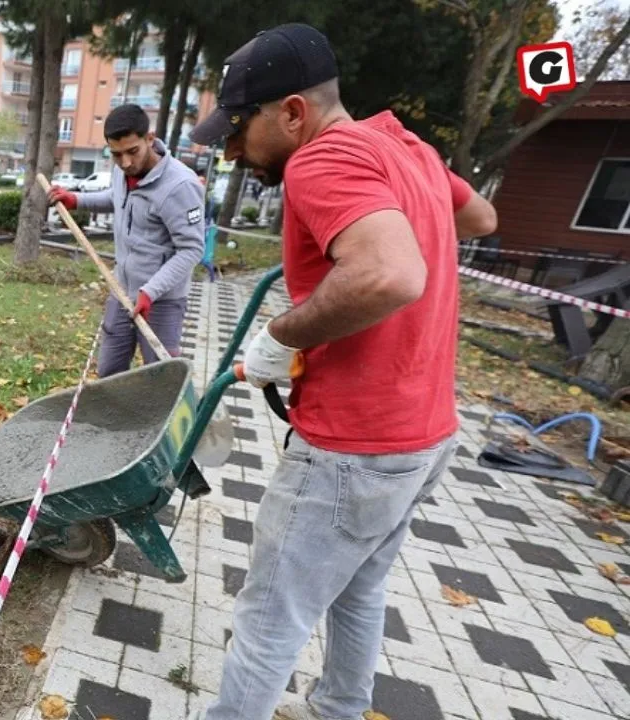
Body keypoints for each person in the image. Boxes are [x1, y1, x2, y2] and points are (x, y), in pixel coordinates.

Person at [185, 23, 498, 720]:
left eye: (239, 129)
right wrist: (388, 230)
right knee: (359, 589)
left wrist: (279, 336)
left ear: (293, 112)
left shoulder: (319, 160)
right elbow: (478, 216)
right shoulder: (405, 146)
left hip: (354, 447)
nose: (232, 150)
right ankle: (339, 710)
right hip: (426, 435)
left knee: (270, 620)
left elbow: (389, 274)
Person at [47, 104, 206, 378]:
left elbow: (192, 249)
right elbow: (116, 199)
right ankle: (110, 421)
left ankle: (159, 421)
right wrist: (76, 200)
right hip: (121, 291)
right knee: (108, 371)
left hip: (162, 301)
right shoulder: (123, 172)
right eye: (116, 155)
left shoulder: (180, 186)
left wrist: (151, 291)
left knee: (159, 377)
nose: (125, 163)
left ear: (150, 138)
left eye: (132, 151)